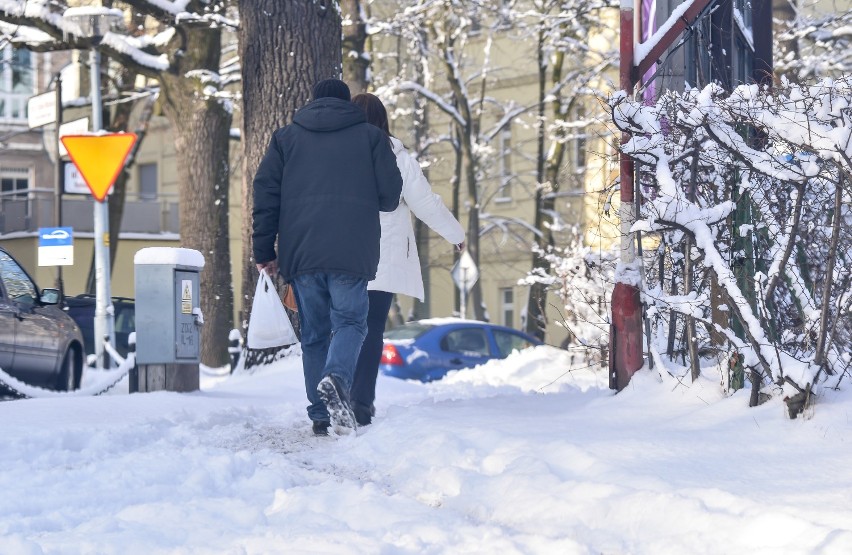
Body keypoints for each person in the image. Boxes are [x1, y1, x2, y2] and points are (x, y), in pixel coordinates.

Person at [252, 80, 403, 436]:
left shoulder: (285, 138)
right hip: (352, 250)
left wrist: (264, 251)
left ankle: (320, 412)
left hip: (301, 251)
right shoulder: (371, 138)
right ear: (346, 103)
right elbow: (390, 196)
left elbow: (265, 195)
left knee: (315, 333)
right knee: (351, 322)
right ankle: (336, 379)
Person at [349, 93, 465, 426]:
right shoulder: (396, 155)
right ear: (384, 120)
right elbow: (425, 202)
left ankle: (337, 393)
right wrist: (455, 235)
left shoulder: (337, 153)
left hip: (340, 255)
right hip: (383, 255)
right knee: (371, 331)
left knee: (342, 325)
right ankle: (360, 403)